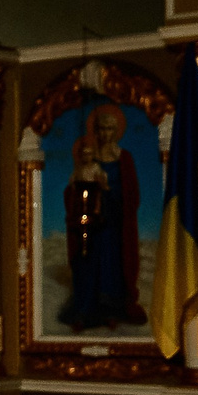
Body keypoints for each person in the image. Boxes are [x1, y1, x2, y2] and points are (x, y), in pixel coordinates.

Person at [60, 101, 144, 330]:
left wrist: (110, 196)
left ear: (116, 131)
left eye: (109, 129)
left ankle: (111, 311)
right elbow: (72, 188)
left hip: (114, 220)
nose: (105, 133)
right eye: (101, 129)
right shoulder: (88, 157)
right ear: (95, 132)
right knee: (88, 261)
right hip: (91, 220)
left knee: (112, 263)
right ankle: (86, 310)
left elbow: (132, 192)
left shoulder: (123, 158)